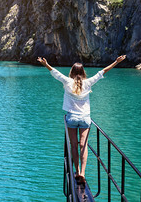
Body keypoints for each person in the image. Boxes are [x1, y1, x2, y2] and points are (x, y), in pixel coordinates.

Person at [37, 55, 126, 184]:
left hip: (71, 118)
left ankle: (77, 171)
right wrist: (116, 62)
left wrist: (46, 64)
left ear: (72, 72)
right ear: (83, 72)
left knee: (74, 145)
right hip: (85, 118)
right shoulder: (88, 82)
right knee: (83, 146)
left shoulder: (67, 82)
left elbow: (55, 73)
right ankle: (83, 173)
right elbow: (102, 71)